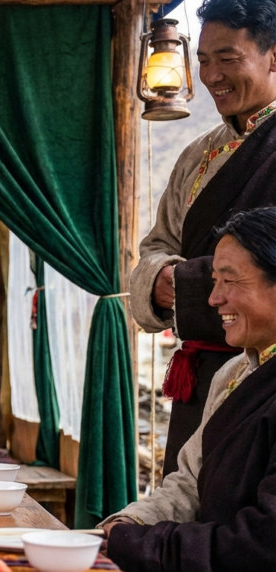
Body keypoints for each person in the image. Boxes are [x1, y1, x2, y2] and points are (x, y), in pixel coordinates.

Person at [130, 0, 276, 475]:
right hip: (199, 376)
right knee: (185, 495)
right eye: (204, 60)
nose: (213, 76)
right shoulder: (198, 155)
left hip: (266, 374)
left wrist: (190, 284)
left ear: (273, 56)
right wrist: (157, 279)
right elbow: (155, 246)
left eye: (229, 59)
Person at [102, 206, 276, 570]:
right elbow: (188, 484)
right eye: (214, 281)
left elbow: (261, 544)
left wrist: (138, 545)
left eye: (229, 281)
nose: (213, 299)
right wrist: (128, 525)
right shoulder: (235, 373)